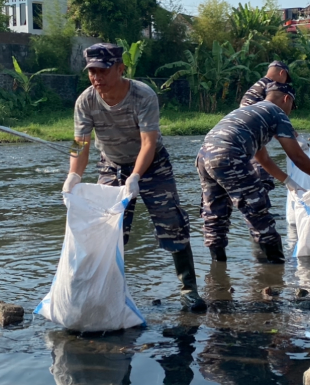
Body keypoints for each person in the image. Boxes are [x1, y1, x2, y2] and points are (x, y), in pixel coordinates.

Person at [62, 43, 207, 313]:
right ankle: (105, 291)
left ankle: (189, 290)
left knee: (171, 222)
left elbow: (148, 143)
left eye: (103, 71)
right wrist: (73, 175)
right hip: (111, 164)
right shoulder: (86, 100)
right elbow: (79, 144)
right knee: (107, 230)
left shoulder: (142, 95)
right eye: (92, 71)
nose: (97, 77)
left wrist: (136, 176)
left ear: (120, 69)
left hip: (152, 165)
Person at [196, 82, 310, 263]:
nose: (290, 111)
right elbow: (297, 157)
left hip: (204, 155)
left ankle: (217, 268)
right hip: (230, 155)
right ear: (287, 99)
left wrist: (288, 181)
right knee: (257, 209)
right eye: (292, 107)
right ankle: (274, 267)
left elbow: (263, 159)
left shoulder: (253, 111)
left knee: (215, 212)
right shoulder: (277, 113)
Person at [239, 61, 294, 207]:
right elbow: (272, 117)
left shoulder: (260, 85)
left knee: (262, 174)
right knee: (263, 176)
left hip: (246, 137)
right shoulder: (270, 86)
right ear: (282, 73)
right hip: (250, 137)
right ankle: (260, 211)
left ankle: (261, 210)